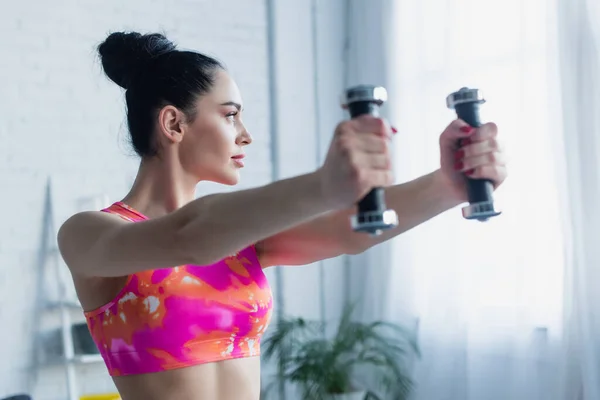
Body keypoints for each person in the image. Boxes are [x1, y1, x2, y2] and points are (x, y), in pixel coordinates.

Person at [57, 31, 507, 400]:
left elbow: (348, 229)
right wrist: (322, 183)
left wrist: (448, 184)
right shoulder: (91, 234)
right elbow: (188, 236)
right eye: (231, 116)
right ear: (174, 124)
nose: (246, 135)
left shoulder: (239, 236)